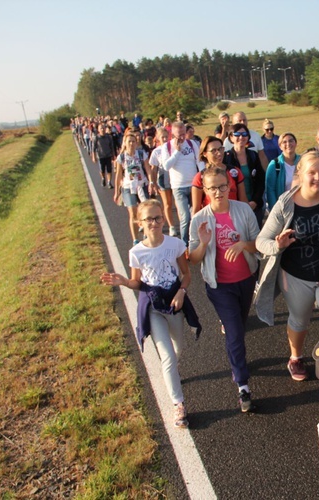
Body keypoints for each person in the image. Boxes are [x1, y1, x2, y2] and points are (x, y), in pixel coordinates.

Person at [100, 199, 201, 428]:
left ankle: (171, 375)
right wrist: (125, 282)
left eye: (157, 218)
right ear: (140, 223)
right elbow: (137, 282)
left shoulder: (175, 245)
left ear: (163, 219)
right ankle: (179, 405)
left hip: (173, 303)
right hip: (153, 307)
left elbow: (186, 275)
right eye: (148, 219)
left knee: (178, 349)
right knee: (166, 355)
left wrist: (182, 293)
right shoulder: (136, 252)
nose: (153, 223)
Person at [255, 151, 319, 381]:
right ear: (300, 173)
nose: (317, 177)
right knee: (299, 320)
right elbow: (261, 241)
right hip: (296, 275)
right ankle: (295, 357)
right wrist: (278, 246)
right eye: (312, 172)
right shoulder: (285, 204)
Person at [189, 168, 260, 412]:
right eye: (212, 188)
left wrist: (243, 244)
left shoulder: (243, 210)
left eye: (222, 186)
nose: (218, 192)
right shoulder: (199, 219)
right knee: (234, 331)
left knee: (240, 325)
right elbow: (194, 259)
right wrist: (204, 243)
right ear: (205, 191)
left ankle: (236, 360)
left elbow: (258, 244)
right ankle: (243, 384)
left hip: (246, 280)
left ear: (229, 185)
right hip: (219, 286)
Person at [163, 121, 203, 245]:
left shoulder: (192, 144)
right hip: (178, 186)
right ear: (173, 133)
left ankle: (195, 240)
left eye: (183, 133)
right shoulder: (167, 147)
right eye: (178, 134)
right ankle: (184, 244)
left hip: (193, 185)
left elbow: (199, 160)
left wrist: (202, 174)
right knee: (185, 216)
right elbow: (166, 166)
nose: (181, 137)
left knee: (195, 214)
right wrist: (177, 151)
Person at [114, 133, 154, 246]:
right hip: (128, 186)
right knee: (133, 212)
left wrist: (151, 183)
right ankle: (135, 239)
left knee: (146, 211)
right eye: (129, 141)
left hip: (142, 185)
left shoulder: (141, 154)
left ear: (136, 143)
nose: (131, 144)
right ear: (125, 144)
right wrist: (116, 192)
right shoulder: (121, 157)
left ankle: (147, 233)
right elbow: (118, 175)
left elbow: (148, 169)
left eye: (133, 141)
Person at [192, 136, 248, 215]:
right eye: (213, 150)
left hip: (234, 218)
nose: (219, 153)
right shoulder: (200, 177)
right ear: (204, 153)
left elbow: (243, 201)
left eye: (220, 149)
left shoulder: (235, 172)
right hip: (211, 221)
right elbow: (196, 209)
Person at [224, 123, 265, 228]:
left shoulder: (253, 155)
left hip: (254, 205)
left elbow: (261, 180)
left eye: (244, 134)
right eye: (237, 134)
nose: (241, 137)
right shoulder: (226, 158)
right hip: (234, 207)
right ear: (231, 137)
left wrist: (255, 201)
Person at [148, 129, 179, 237]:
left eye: (167, 137)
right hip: (163, 177)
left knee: (178, 203)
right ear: (158, 139)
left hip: (175, 176)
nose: (165, 139)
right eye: (163, 137)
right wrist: (153, 182)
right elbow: (153, 169)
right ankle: (171, 226)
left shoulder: (173, 148)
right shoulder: (156, 151)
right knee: (167, 204)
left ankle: (184, 223)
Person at [265, 132, 300, 211]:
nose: (288, 144)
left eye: (291, 141)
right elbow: (270, 190)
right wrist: (276, 210)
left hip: (302, 205)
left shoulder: (303, 161)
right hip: (284, 208)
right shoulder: (275, 164)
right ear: (280, 146)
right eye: (284, 142)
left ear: (296, 143)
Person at [92, 123, 116, 188]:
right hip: (100, 156)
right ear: (98, 130)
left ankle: (109, 182)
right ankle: (103, 178)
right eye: (101, 128)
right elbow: (93, 148)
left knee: (109, 170)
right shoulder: (96, 138)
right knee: (102, 170)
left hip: (108, 155)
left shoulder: (109, 137)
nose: (102, 129)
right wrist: (94, 157)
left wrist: (113, 155)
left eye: (103, 128)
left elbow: (112, 146)